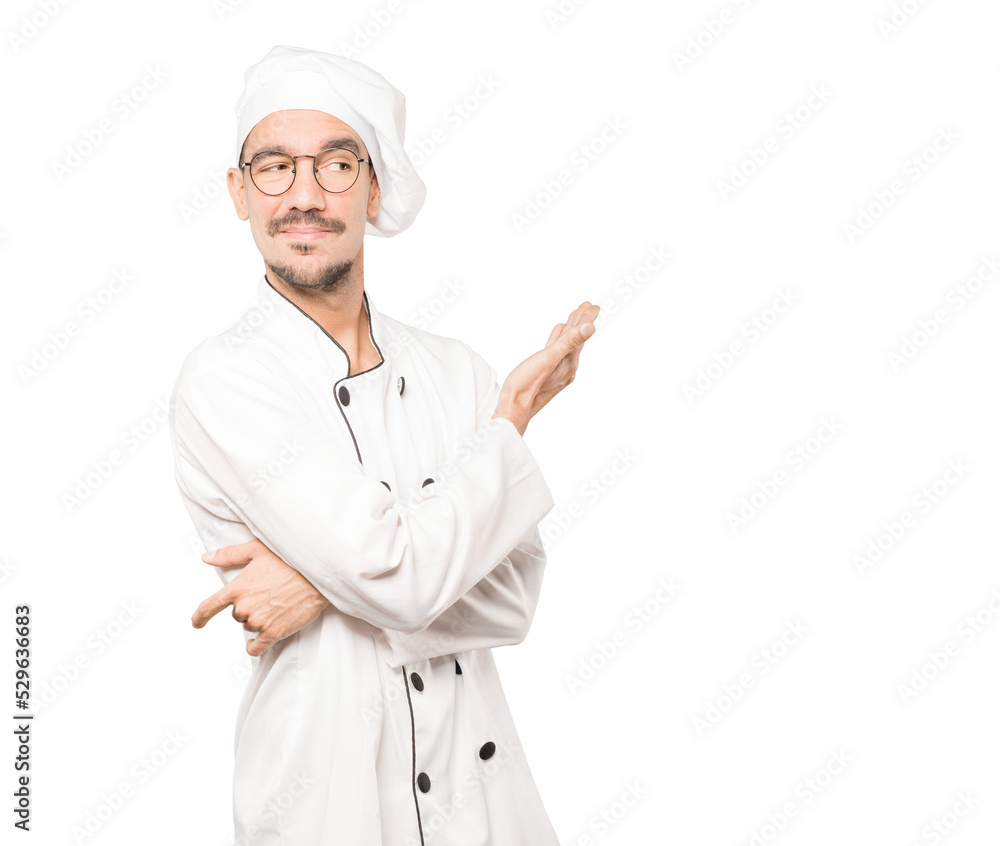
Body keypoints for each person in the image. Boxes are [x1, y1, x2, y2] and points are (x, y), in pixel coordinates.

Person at [168, 44, 599, 845]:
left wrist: (321, 585)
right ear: (238, 191)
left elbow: (512, 596)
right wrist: (504, 434)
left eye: (336, 165)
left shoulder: (457, 371)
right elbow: (397, 579)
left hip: (487, 803)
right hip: (324, 799)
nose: (304, 197)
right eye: (274, 167)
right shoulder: (225, 380)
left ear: (374, 186)